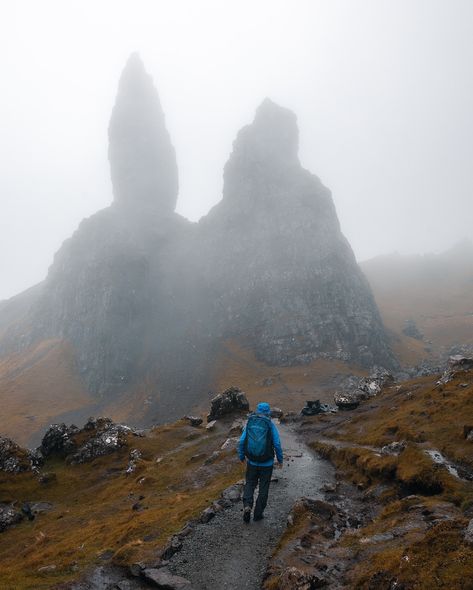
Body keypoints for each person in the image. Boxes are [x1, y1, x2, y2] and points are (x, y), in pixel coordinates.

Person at [238, 402, 283, 523]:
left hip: (252, 461)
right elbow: (277, 444)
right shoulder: (270, 424)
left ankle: (247, 505)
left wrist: (241, 456)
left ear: (257, 410)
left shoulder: (250, 422)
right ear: (268, 412)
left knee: (250, 484)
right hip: (267, 464)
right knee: (264, 488)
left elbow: (241, 441)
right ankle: (258, 514)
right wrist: (280, 459)